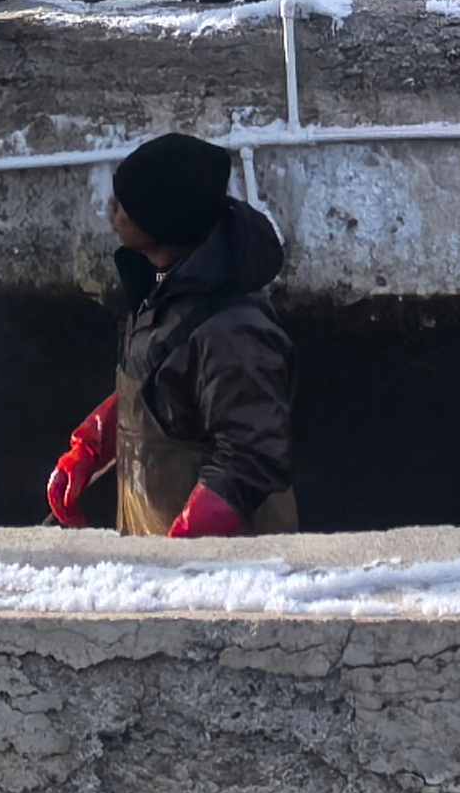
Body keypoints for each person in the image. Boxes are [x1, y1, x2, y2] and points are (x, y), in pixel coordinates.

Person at [43, 132, 298, 538]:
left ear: (163, 221)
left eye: (126, 204)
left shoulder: (233, 330)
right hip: (157, 543)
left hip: (227, 572)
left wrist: (187, 547)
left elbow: (250, 455)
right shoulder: (163, 289)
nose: (114, 210)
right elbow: (159, 386)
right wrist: (93, 445)